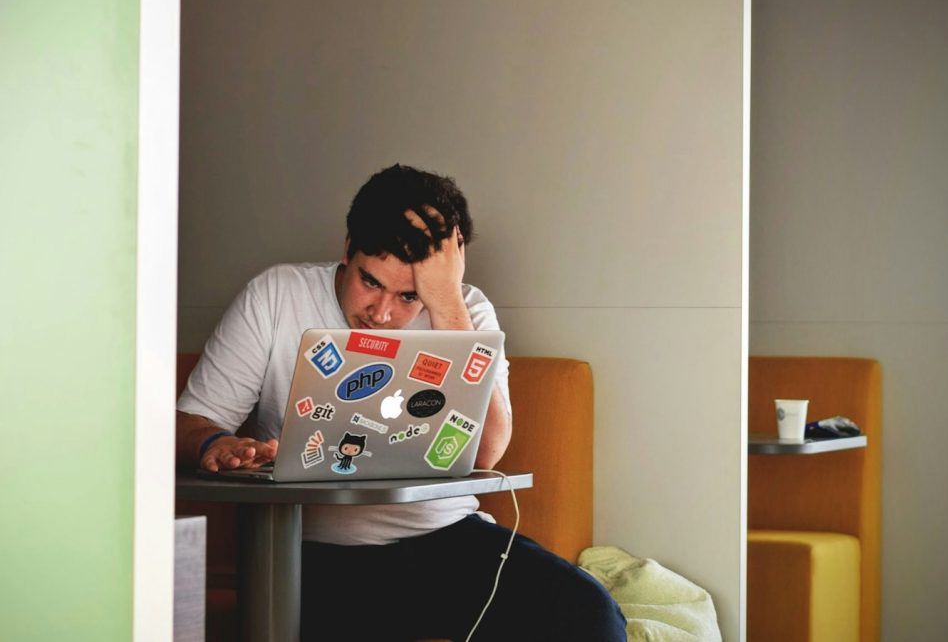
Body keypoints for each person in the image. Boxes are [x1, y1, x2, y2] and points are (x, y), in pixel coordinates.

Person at [174, 164, 626, 641]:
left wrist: (446, 303)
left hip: (446, 540)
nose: (383, 313)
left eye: (408, 295)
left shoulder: (466, 310)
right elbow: (189, 424)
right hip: (309, 551)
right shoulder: (277, 295)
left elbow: (488, 450)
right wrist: (216, 443)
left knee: (590, 615)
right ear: (348, 249)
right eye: (370, 282)